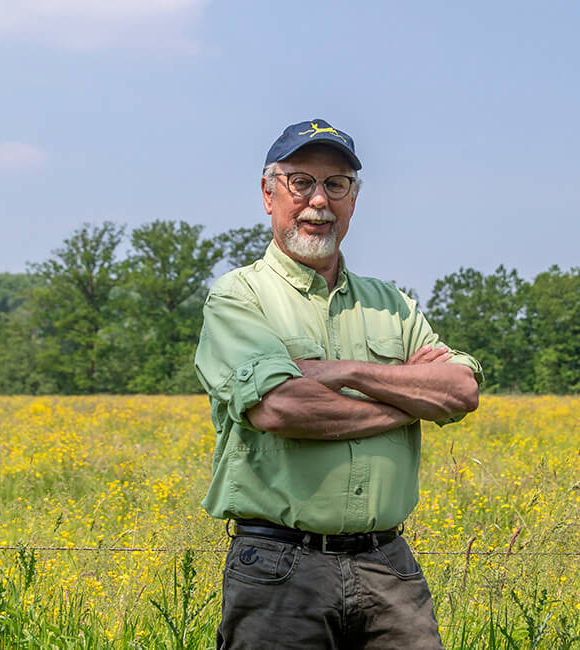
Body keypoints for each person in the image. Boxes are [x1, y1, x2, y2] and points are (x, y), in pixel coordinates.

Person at [194, 118, 482, 649]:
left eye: (336, 184)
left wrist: (346, 372)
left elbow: (461, 391)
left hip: (388, 565)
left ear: (354, 199)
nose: (318, 201)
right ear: (268, 193)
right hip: (279, 567)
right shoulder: (239, 298)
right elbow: (283, 408)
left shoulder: (390, 302)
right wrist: (407, 398)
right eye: (300, 182)